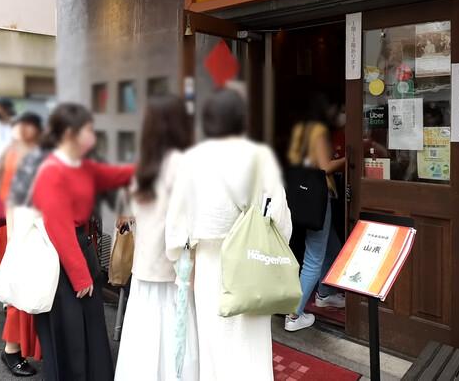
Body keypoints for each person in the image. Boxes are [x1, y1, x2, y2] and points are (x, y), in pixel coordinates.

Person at [166, 88, 292, 381]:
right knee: (251, 347)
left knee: (214, 347)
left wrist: (182, 265)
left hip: (210, 265)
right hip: (252, 260)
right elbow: (281, 220)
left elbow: (176, 227)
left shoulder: (192, 161)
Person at [31, 103, 134, 380]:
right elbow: (58, 225)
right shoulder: (53, 168)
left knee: (86, 328)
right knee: (72, 333)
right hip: (65, 260)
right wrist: (80, 276)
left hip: (81, 249)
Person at [116, 95, 197, 380]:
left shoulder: (143, 162)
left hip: (145, 263)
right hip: (174, 265)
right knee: (177, 332)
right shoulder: (183, 163)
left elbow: (127, 212)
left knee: (144, 335)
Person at [284, 93, 346, 332]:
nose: (339, 112)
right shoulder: (318, 131)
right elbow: (324, 167)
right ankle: (294, 314)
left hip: (301, 197)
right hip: (318, 197)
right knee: (314, 257)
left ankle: (325, 292)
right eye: (336, 107)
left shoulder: (300, 129)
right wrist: (349, 158)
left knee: (332, 246)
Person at [0, 112, 43, 377]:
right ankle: (12, 350)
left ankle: (16, 348)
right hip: (17, 230)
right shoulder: (19, 157)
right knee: (19, 295)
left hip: (15, 229)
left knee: (20, 293)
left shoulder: (15, 153)